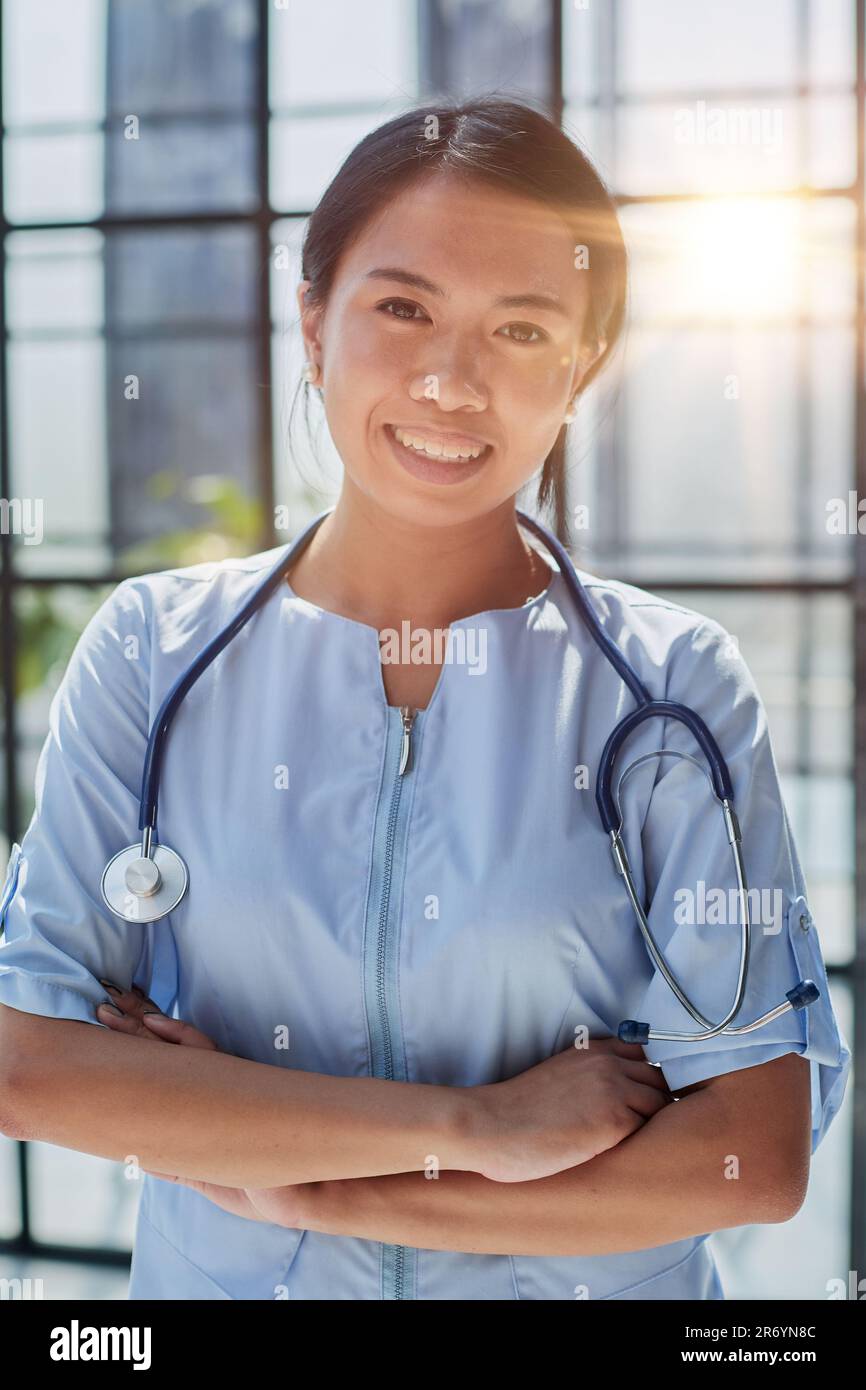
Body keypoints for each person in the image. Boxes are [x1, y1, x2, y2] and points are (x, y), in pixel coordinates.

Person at [0, 96, 850, 1302]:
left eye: (520, 329)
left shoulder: (672, 688)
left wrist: (298, 1175)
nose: (451, 381)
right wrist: (479, 1125)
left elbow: (745, 1156)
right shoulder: (150, 652)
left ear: (582, 366)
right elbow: (31, 1067)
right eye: (402, 308)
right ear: (312, 322)